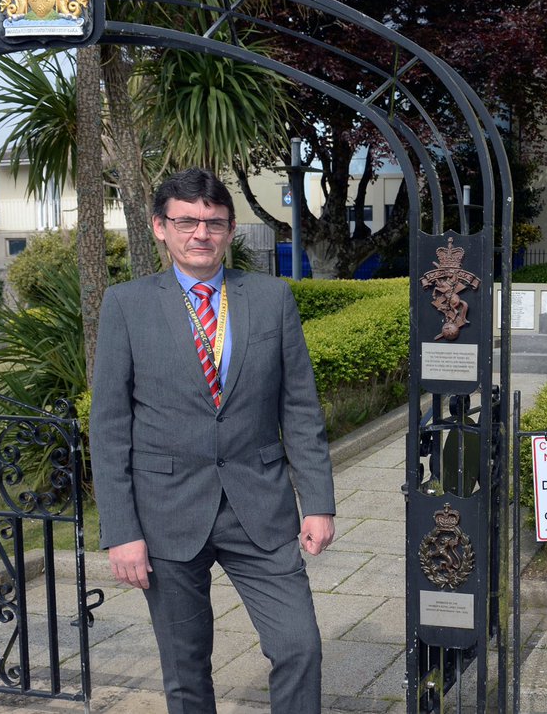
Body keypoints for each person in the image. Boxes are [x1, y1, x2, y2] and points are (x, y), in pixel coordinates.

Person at [91, 168, 336, 713]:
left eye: (214, 222)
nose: (200, 233)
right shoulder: (126, 306)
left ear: (228, 230)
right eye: (186, 221)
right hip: (167, 515)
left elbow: (299, 409)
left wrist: (317, 503)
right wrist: (121, 532)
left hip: (261, 508)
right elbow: (108, 429)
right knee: (186, 671)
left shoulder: (271, 298)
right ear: (160, 227)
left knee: (300, 646)